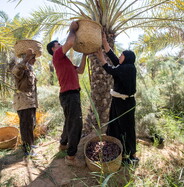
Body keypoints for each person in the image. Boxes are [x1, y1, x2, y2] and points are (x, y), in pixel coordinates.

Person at [46, 21, 87, 167]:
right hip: (70, 95)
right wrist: (71, 29)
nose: (60, 44)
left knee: (69, 120)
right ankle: (71, 157)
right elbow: (70, 41)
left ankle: (63, 144)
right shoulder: (57, 55)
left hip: (69, 95)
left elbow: (81, 70)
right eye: (57, 44)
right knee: (76, 124)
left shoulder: (65, 61)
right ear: (53, 48)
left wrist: (84, 54)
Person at [95, 33, 138, 164]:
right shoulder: (124, 67)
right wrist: (104, 43)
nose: (119, 56)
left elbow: (112, 70)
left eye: (122, 55)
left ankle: (130, 155)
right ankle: (117, 150)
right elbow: (114, 59)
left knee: (126, 128)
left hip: (125, 104)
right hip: (118, 102)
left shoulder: (129, 68)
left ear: (127, 58)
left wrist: (102, 58)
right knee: (115, 126)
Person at [12, 48, 39, 157]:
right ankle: (27, 149)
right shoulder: (20, 69)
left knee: (31, 124)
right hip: (23, 102)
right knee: (26, 126)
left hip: (31, 102)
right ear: (26, 58)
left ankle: (31, 144)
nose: (35, 60)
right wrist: (26, 59)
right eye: (33, 58)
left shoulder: (30, 70)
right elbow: (16, 70)